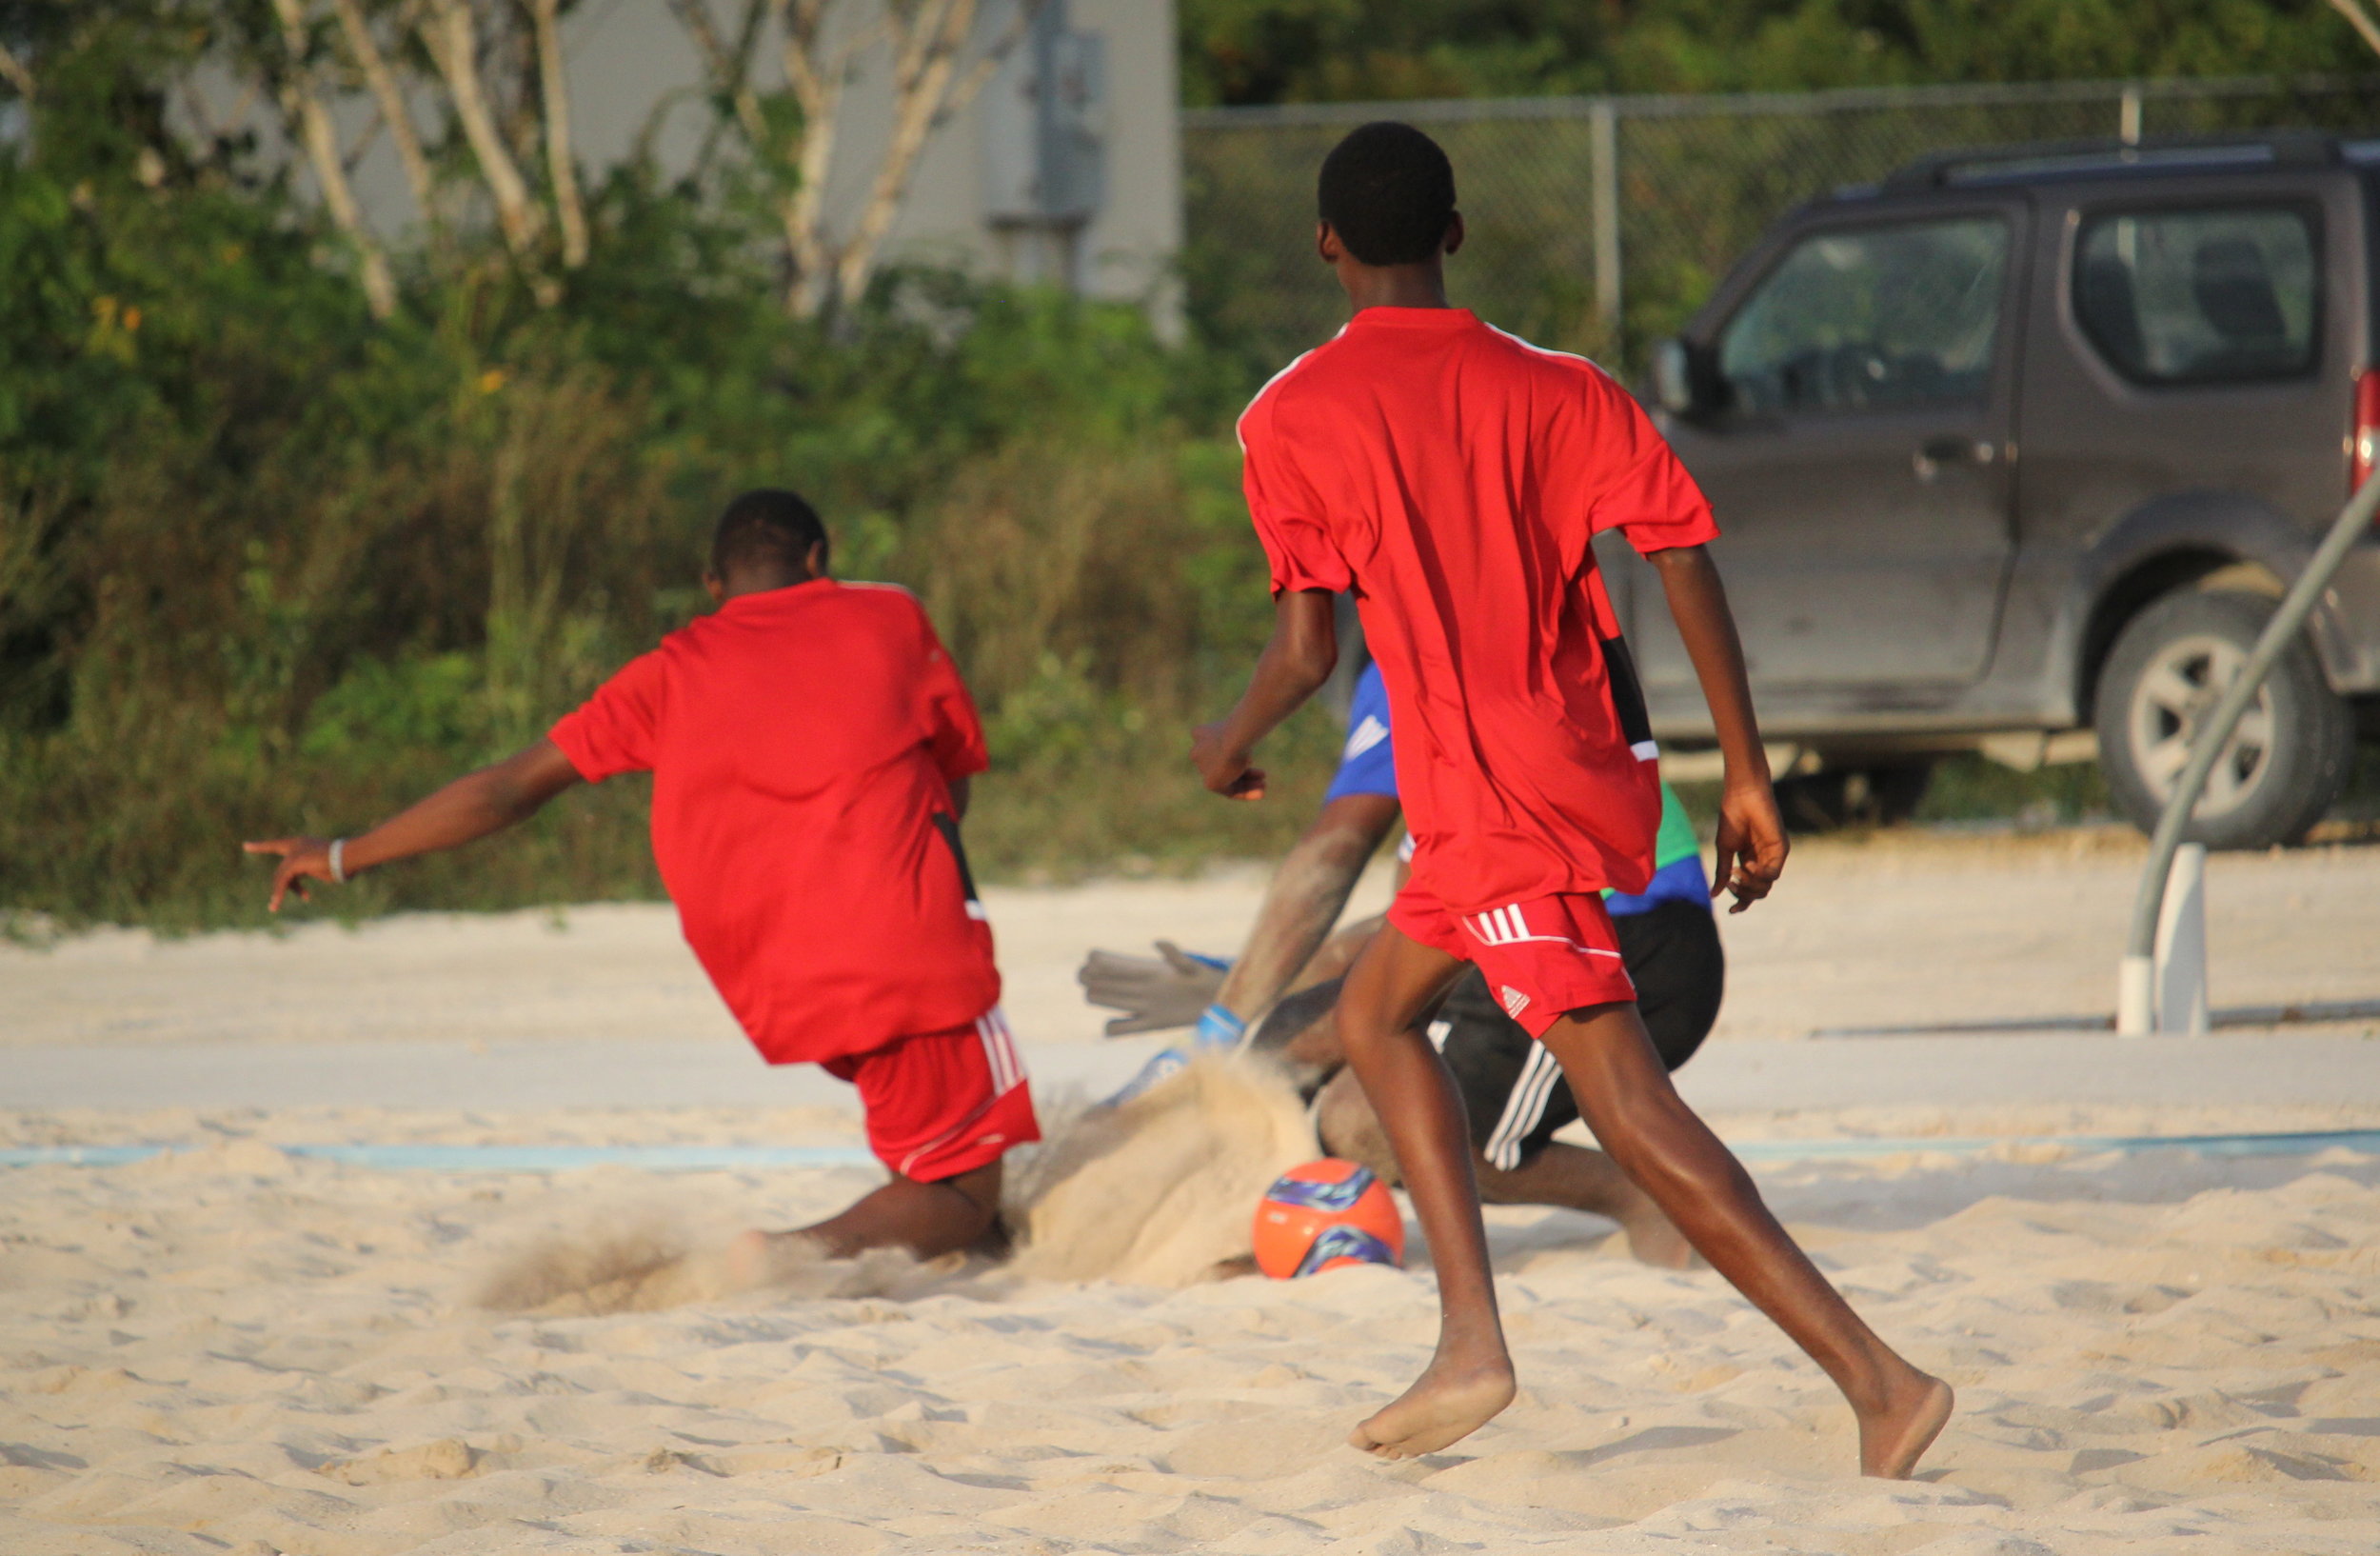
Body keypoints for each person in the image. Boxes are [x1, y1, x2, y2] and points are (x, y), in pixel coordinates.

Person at [1190, 122, 1951, 1477]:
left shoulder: (1286, 414)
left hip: (1496, 804)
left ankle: (1879, 1380)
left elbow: (1306, 650)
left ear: (1325, 245)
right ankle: (1469, 1342)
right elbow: (1682, 555)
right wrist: (1747, 769)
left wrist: (1225, 739)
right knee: (1373, 1014)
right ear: (1455, 233)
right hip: (1551, 775)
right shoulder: (1562, 385)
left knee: (1631, 1105)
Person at [246, 490, 1037, 1267]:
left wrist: (346, 852)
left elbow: (506, 790)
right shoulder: (888, 617)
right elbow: (953, 783)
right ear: (818, 559)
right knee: (963, 1196)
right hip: (905, 953)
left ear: (713, 585)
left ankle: (957, 1247)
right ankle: (778, 1258)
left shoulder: (669, 673)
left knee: (935, 1150)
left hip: (778, 977)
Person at [1081, 660, 1720, 1267]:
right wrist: (1253, 981)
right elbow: (1411, 920)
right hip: (1550, 923)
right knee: (1315, 1032)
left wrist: (1225, 1019)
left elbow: (1337, 842)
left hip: (1626, 939)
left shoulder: (1422, 652)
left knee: (1385, 1119)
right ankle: (1250, 1209)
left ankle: (1646, 1201)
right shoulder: (1428, 666)